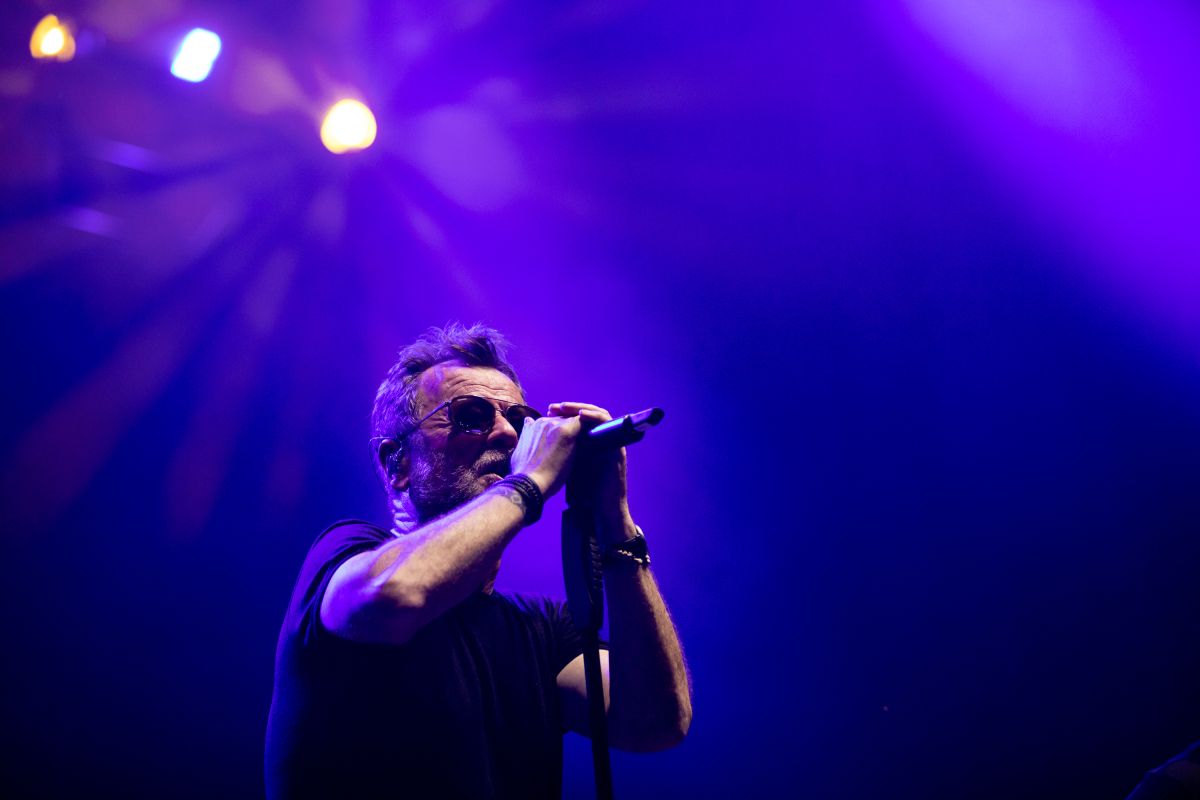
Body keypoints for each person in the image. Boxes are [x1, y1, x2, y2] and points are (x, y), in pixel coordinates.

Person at [265, 323, 691, 799]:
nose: (507, 434)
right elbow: (396, 596)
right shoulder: (345, 557)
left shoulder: (543, 631)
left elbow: (657, 721)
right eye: (471, 415)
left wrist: (616, 520)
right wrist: (529, 482)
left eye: (520, 421)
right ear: (397, 463)